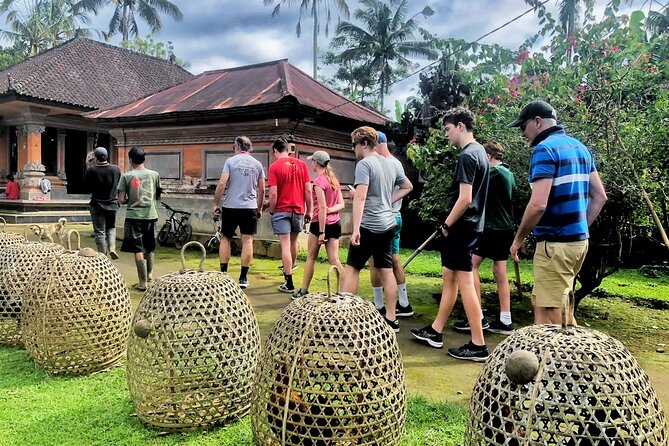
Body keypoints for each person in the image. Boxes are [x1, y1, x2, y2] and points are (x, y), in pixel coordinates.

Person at [508, 100, 607, 324]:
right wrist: (578, 227)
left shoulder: (545, 150)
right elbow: (600, 197)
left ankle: (553, 360)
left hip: (555, 245)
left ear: (538, 122)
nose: (522, 133)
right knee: (562, 311)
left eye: (523, 127)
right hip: (579, 244)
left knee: (548, 318)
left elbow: (538, 204)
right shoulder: (580, 148)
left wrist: (518, 238)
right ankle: (571, 358)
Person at [410, 107, 490, 362]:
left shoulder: (468, 156)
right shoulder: (481, 153)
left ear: (461, 127)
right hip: (469, 227)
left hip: (462, 227)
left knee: (464, 282)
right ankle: (436, 330)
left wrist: (446, 224)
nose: (445, 135)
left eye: (447, 129)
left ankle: (478, 344)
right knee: (450, 277)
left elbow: (465, 199)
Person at [341, 126, 412, 333]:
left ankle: (345, 317)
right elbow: (407, 186)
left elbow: (361, 197)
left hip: (369, 224)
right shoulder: (391, 164)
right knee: (386, 271)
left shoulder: (364, 164)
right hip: (388, 224)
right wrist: (388, 202)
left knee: (353, 268)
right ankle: (392, 319)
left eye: (354, 145)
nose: (353, 149)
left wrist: (355, 228)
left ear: (364, 143)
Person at [453, 141, 516, 335]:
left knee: (470, 267)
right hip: (506, 229)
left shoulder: (492, 174)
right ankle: (506, 320)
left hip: (490, 227)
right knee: (500, 271)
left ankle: (477, 316)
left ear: (488, 157)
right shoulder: (509, 174)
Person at [369, 131, 414, 317]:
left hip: (383, 218)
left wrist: (386, 200)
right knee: (394, 261)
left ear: (378, 144)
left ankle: (379, 305)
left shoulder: (383, 164)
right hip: (396, 217)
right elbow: (408, 186)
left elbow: (406, 186)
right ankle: (404, 303)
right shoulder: (396, 163)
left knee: (376, 263)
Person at [212, 136, 265, 289]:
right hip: (249, 207)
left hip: (231, 206)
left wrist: (216, 203)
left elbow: (222, 183)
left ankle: (223, 274)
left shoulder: (230, 162)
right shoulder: (258, 164)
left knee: (226, 238)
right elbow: (262, 189)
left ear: (236, 147)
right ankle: (243, 277)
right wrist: (259, 207)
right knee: (247, 240)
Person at [292, 150, 346, 299]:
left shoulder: (318, 182)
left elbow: (321, 208)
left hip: (319, 224)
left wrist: (322, 232)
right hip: (335, 223)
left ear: (316, 163)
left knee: (311, 257)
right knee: (334, 259)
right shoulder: (334, 180)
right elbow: (341, 204)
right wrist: (330, 211)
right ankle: (343, 291)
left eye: (312, 161)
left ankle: (304, 290)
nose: (311, 164)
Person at [267, 137, 312, 293]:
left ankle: (289, 282)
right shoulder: (302, 165)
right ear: (288, 149)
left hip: (282, 209)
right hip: (298, 209)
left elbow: (273, 194)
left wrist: (272, 209)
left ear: (275, 151)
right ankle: (290, 270)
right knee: (293, 243)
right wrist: (310, 210)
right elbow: (308, 190)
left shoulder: (274, 167)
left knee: (285, 245)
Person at [117, 146, 161, 291]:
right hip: (151, 215)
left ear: (130, 159)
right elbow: (157, 195)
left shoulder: (126, 176)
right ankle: (149, 274)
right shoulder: (155, 174)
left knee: (138, 248)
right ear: (144, 158)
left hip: (134, 217)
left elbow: (121, 199)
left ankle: (142, 283)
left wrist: (130, 200)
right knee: (150, 246)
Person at [83, 147, 121, 259]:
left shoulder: (91, 170)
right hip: (112, 203)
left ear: (96, 157)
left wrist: (88, 166)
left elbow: (87, 188)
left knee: (99, 231)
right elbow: (118, 185)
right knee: (111, 227)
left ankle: (102, 256)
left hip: (97, 205)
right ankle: (112, 248)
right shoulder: (116, 169)